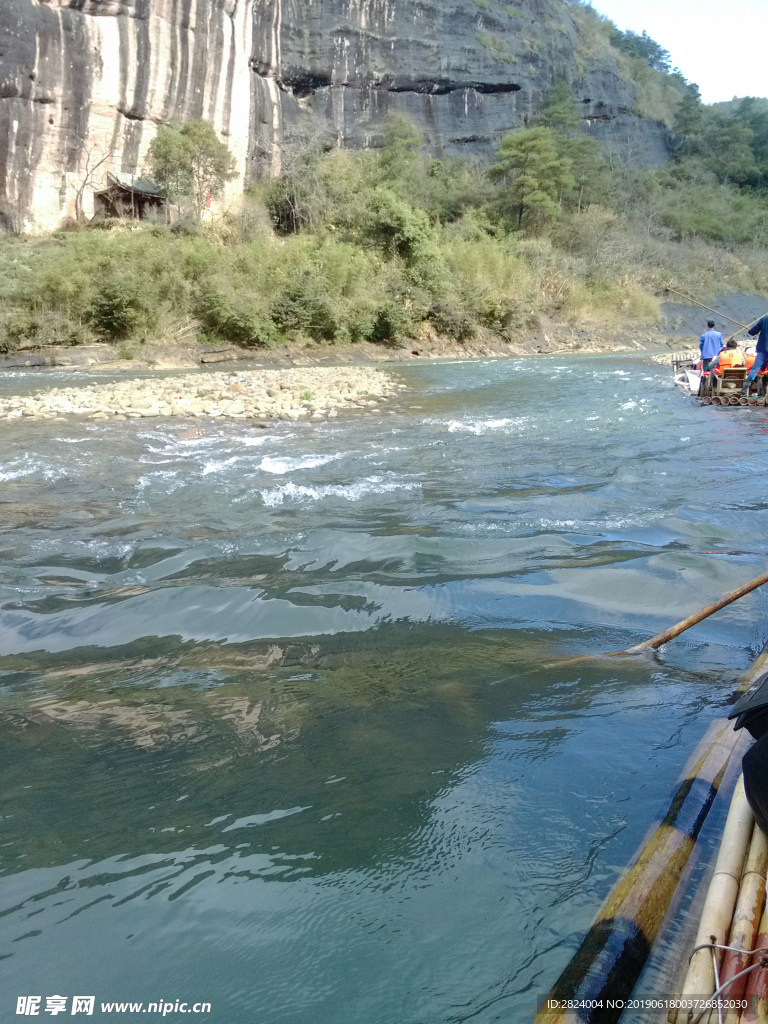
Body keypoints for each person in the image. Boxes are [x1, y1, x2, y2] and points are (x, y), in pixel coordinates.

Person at [740, 313, 768, 395]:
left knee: (755, 368)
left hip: (763, 348)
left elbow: (753, 331)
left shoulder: (764, 320)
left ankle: (744, 390)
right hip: (763, 349)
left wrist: (750, 331)